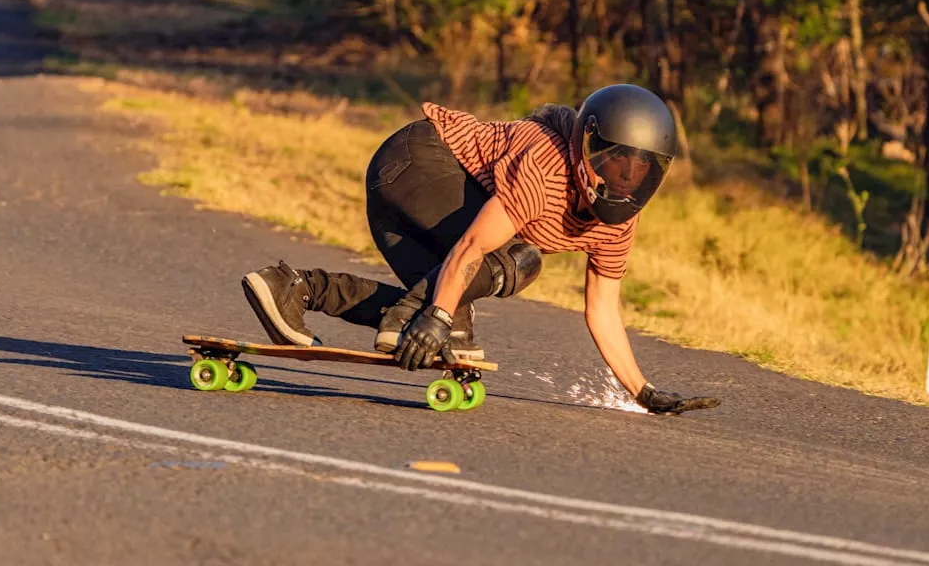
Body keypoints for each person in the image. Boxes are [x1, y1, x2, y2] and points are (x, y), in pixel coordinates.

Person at [240, 83, 720, 415]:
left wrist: (643, 391)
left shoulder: (619, 223)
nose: (620, 182)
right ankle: (410, 317)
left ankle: (296, 288)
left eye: (639, 172)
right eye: (610, 162)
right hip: (415, 162)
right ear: (585, 144)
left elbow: (603, 312)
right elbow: (472, 245)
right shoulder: (548, 169)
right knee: (517, 262)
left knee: (441, 324)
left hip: (411, 197)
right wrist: (438, 316)